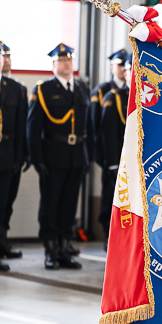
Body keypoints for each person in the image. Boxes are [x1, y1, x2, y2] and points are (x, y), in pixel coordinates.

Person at [27, 43, 91, 270]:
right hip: (53, 156)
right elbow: (33, 129)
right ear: (53, 64)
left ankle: (65, 249)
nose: (67, 63)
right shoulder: (43, 90)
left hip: (76, 157)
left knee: (68, 205)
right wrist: (37, 160)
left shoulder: (82, 89)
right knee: (50, 205)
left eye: (69, 60)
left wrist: (87, 157)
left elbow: (89, 128)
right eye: (62, 60)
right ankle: (50, 250)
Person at [0, 41, 27, 271]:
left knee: (0, 205)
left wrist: (19, 156)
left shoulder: (13, 87)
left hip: (5, 154)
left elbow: (19, 125)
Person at [92, 49, 129, 245]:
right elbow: (99, 128)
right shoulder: (106, 92)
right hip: (113, 157)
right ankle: (109, 238)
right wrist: (107, 160)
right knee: (110, 198)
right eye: (121, 65)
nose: (124, 70)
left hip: (131, 159)